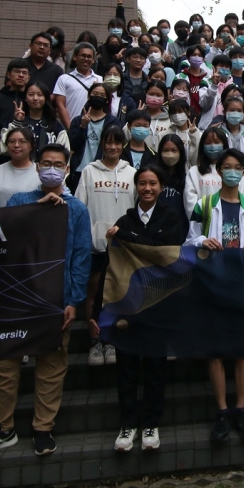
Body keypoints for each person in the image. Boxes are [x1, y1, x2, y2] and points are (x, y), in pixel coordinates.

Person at [0, 145, 91, 459]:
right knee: (1, 365)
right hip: (16, 297)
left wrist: (74, 300)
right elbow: (7, 238)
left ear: (67, 170)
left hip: (56, 299)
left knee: (51, 367)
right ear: (37, 167)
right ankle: (2, 428)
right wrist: (37, 209)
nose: (52, 169)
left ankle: (43, 427)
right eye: (46, 163)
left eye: (58, 165)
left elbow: (81, 257)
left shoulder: (77, 209)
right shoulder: (19, 202)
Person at [186, 148, 244, 442]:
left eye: (238, 167)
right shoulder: (204, 204)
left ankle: (241, 408)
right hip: (213, 283)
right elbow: (189, 239)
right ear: (219, 170)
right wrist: (202, 240)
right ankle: (222, 410)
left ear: (243, 172)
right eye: (227, 167)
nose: (232, 171)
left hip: (243, 284)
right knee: (216, 348)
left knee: (243, 348)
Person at [107, 166, 186, 452]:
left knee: (155, 367)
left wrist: (131, 239)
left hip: (159, 303)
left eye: (153, 183)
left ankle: (151, 423)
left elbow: (165, 253)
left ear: (161, 187)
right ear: (136, 187)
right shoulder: (124, 220)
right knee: (126, 368)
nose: (147, 188)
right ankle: (128, 424)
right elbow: (116, 260)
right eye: (142, 183)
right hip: (128, 304)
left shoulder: (172, 217)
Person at [74, 125, 135, 367]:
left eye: (117, 142)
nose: (112, 147)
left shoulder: (131, 173)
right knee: (94, 293)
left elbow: (136, 210)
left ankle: (111, 341)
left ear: (123, 145)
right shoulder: (89, 171)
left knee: (118, 293)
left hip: (123, 247)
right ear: (102, 144)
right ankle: (95, 342)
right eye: (108, 142)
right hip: (95, 246)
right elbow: (80, 207)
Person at [67, 83, 124, 181]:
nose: (98, 97)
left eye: (102, 95)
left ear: (107, 100)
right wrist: (82, 126)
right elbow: (73, 145)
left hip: (103, 169)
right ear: (89, 96)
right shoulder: (77, 120)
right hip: (79, 170)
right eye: (95, 94)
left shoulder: (113, 121)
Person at [13, 82, 70, 159]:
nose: (35, 98)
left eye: (39, 95)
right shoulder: (19, 122)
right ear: (25, 98)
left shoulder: (56, 126)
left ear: (46, 98)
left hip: (48, 166)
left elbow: (65, 154)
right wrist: (17, 122)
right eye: (31, 94)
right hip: (21, 166)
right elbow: (3, 148)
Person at [0, 127, 40, 207]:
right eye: (12, 141)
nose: (16, 145)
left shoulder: (40, 172)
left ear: (31, 146)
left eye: (22, 141)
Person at [52, 42, 101, 129]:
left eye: (89, 56)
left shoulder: (100, 80)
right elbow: (60, 105)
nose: (86, 59)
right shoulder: (64, 78)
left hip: (94, 129)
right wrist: (70, 129)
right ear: (75, 57)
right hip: (71, 126)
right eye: (83, 55)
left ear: (93, 59)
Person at [152, 134, 191, 240]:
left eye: (174, 150)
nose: (169, 155)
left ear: (181, 153)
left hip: (180, 233)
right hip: (155, 233)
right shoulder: (153, 177)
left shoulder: (187, 178)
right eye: (165, 150)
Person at [184, 127, 227, 215]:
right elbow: (190, 203)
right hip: (202, 220)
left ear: (224, 144)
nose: (212, 146)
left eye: (217, 142)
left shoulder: (233, 171)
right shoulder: (194, 172)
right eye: (208, 143)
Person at [25, 32, 64, 97]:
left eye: (46, 45)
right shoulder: (19, 66)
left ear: (50, 50)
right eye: (38, 43)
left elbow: (58, 94)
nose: (42, 47)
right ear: (30, 46)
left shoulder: (57, 70)